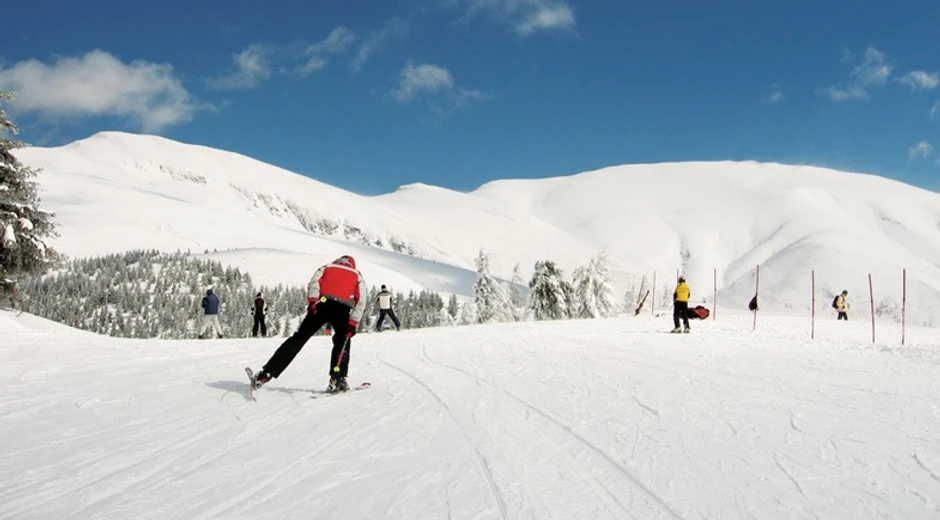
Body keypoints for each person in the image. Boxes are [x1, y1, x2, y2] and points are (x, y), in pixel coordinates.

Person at [250, 255, 367, 393]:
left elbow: (314, 283)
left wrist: (313, 301)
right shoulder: (357, 275)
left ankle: (266, 374)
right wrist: (352, 323)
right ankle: (337, 378)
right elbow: (361, 300)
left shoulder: (327, 267)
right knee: (342, 341)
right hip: (342, 309)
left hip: (321, 305)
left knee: (298, 339)